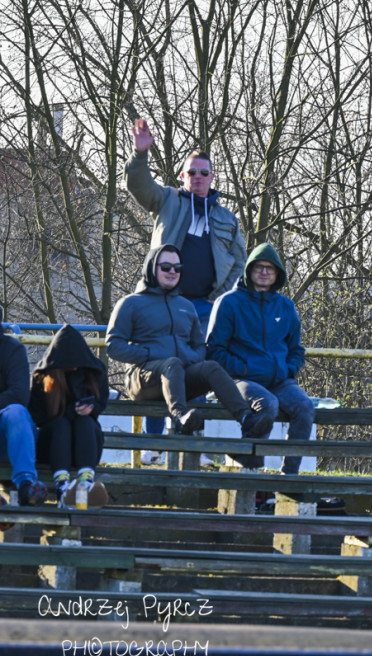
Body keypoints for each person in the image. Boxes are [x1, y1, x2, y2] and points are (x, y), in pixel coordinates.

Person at [125, 119, 247, 464]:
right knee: (158, 362)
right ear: (183, 176)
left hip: (204, 307)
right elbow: (139, 186)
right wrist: (140, 153)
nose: (197, 177)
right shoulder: (168, 201)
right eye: (192, 172)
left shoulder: (225, 217)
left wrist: (220, 294)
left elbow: (239, 258)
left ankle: (195, 443)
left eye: (204, 173)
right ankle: (153, 444)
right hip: (161, 302)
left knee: (201, 368)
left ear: (212, 178)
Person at [106, 245, 273, 442]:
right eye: (166, 267)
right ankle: (179, 418)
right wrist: (148, 353)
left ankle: (247, 419)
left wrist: (189, 357)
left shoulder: (186, 306)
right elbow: (113, 346)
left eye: (177, 268)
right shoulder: (130, 303)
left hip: (178, 376)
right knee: (172, 363)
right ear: (152, 267)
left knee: (210, 367)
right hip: (143, 380)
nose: (172, 272)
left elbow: (200, 347)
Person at [207, 243, 315, 474]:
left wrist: (288, 370)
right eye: (259, 267)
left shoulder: (285, 306)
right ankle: (251, 472)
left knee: (304, 406)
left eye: (270, 268)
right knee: (267, 404)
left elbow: (296, 349)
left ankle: (289, 476)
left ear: (278, 274)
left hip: (279, 380)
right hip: (239, 380)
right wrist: (243, 368)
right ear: (249, 270)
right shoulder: (229, 302)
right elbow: (214, 349)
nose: (264, 272)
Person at [29, 325, 109, 507]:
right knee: (61, 425)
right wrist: (70, 411)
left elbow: (101, 402)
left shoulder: (95, 373)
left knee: (85, 422)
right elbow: (38, 416)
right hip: (53, 445)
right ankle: (63, 486)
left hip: (85, 442)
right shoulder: (44, 377)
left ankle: (86, 483)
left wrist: (90, 408)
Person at [0, 305, 46, 507]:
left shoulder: (11, 348)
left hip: (8, 433)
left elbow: (19, 394)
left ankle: (27, 485)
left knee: (16, 411)